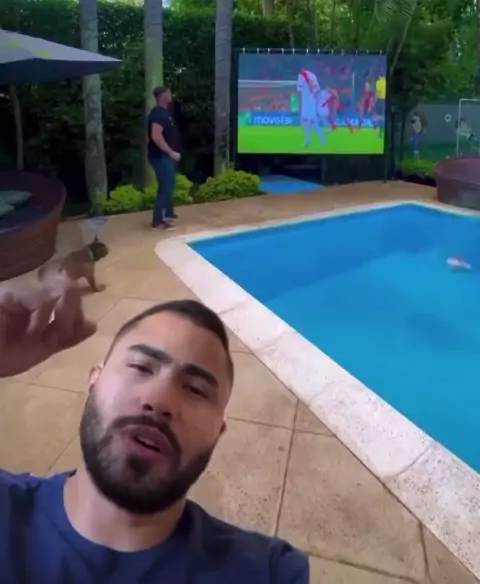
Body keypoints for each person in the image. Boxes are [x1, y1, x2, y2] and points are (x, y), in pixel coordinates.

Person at [0, 281, 309, 583]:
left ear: (219, 430)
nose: (159, 401)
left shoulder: (268, 572)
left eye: (195, 389)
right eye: (141, 366)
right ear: (94, 380)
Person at [147, 86, 181, 230]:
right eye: (169, 93)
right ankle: (158, 222)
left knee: (166, 185)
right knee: (166, 187)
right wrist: (171, 153)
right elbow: (156, 136)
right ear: (164, 96)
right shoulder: (158, 114)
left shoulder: (165, 113)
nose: (171, 95)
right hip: (161, 157)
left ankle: (167, 213)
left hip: (164, 157)